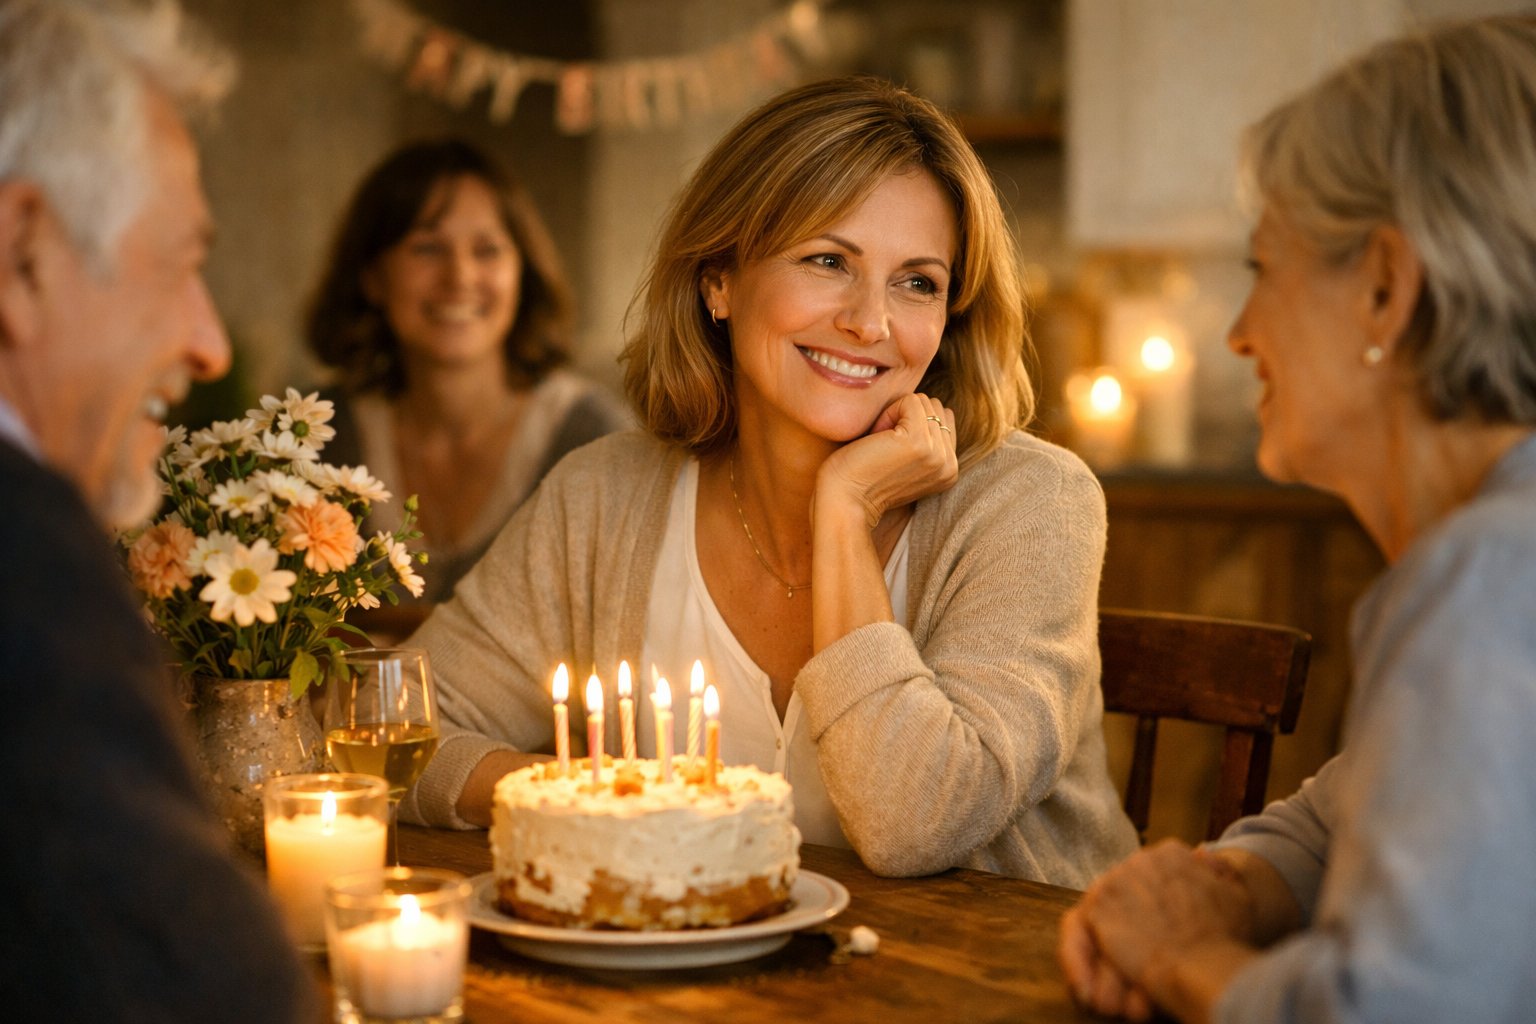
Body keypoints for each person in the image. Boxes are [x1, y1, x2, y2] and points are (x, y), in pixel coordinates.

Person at [400, 76, 1137, 886]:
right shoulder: (605, 497)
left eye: (917, 281)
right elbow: (397, 732)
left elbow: (915, 824)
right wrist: (595, 795)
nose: (870, 322)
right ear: (719, 278)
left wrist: (845, 510)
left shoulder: (1033, 504)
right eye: (828, 261)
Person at [1059, 16, 1536, 1023]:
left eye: (1262, 270)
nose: (1238, 333)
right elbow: (1382, 798)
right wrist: (1223, 883)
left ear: (1384, 288)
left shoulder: (1491, 574)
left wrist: (1185, 955)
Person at [0, 1, 318, 1019]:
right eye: (182, 263)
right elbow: (205, 990)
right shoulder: (24, 553)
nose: (209, 342)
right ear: (22, 253)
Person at [306, 138, 628, 610]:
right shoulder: (317, 440)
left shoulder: (591, 439)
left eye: (487, 250)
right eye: (427, 247)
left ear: (523, 273)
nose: (459, 276)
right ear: (372, 277)